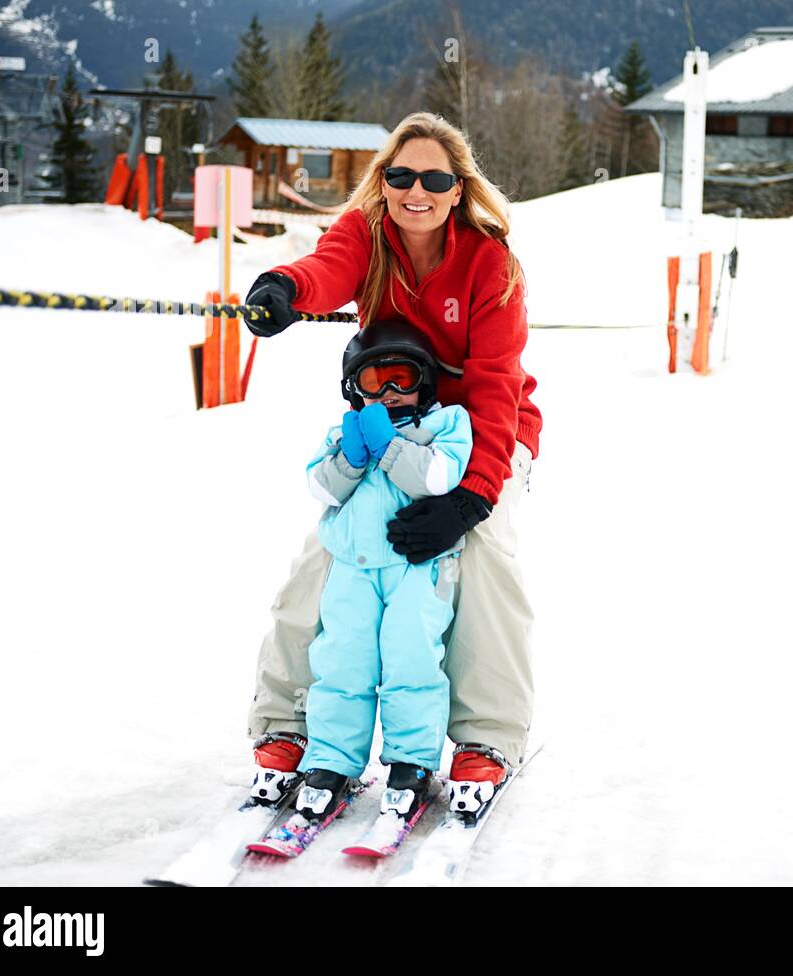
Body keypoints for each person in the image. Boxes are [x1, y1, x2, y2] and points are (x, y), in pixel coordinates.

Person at [242, 112, 541, 818]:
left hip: (483, 438)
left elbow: (497, 385)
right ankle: (289, 723)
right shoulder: (366, 236)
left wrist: (471, 497)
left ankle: (487, 737)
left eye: (435, 178)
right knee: (327, 557)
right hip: (393, 429)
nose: (417, 191)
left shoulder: (488, 261)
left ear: (458, 188)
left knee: (484, 554)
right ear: (384, 182)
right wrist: (286, 288)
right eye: (401, 175)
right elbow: (325, 269)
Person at [293, 320, 471, 824]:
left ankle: (411, 762)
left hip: (417, 570)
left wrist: (391, 448)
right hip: (353, 571)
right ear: (355, 388)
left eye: (401, 378)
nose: (390, 393)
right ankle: (331, 761)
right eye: (375, 382)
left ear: (425, 382)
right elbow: (322, 492)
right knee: (342, 662)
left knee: (411, 659)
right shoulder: (342, 433)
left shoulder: (445, 425)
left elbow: (438, 478)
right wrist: (349, 458)